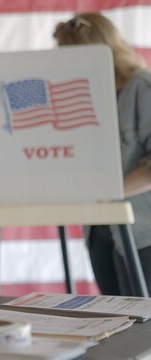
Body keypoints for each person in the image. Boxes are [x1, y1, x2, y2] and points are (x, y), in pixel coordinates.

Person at [54, 13, 151, 295]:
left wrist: (106, 191)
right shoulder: (81, 98)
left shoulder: (141, 88)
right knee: (117, 317)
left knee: (142, 327)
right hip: (100, 229)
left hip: (142, 230)